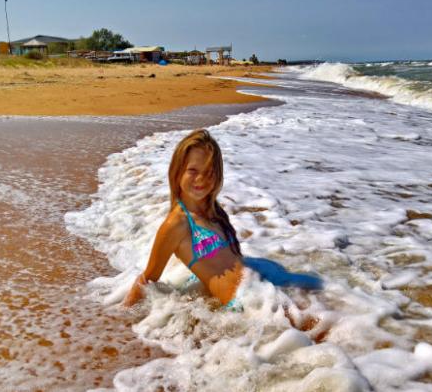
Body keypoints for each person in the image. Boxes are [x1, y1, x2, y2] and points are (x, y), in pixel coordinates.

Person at [122, 129, 322, 309]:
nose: (201, 179)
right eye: (193, 171)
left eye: (209, 172)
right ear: (177, 172)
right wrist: (121, 318)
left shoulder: (213, 211)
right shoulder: (176, 224)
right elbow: (148, 277)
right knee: (318, 326)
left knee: (328, 294)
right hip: (247, 299)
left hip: (262, 274)